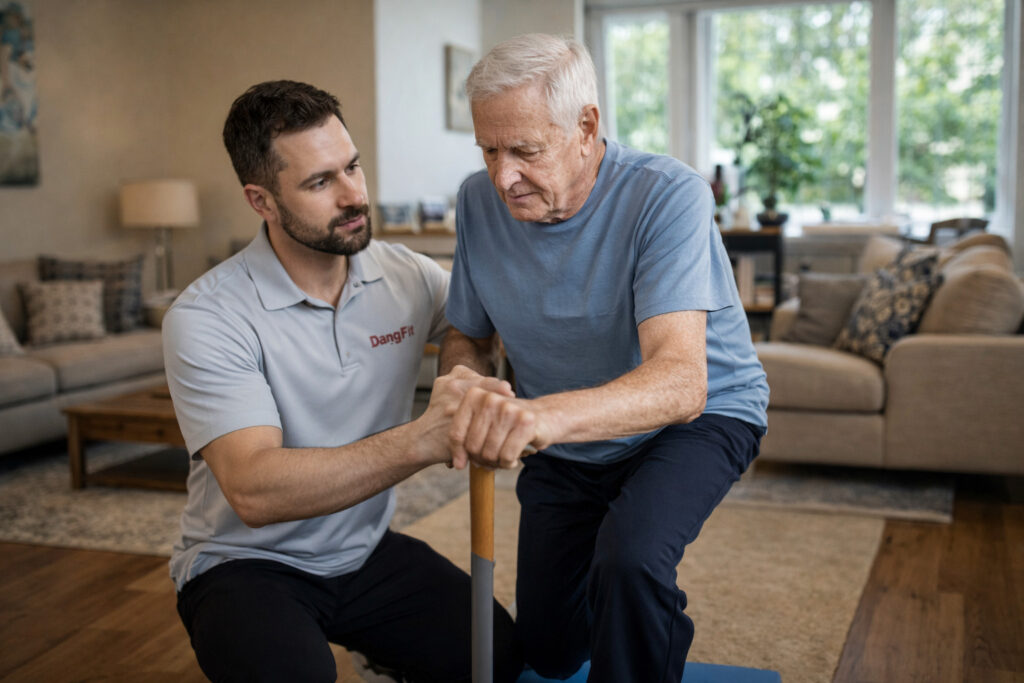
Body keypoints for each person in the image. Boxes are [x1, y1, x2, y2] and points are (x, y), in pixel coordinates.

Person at [163, 80, 522, 683]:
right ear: (262, 201)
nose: (355, 195)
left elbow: (468, 321)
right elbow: (255, 491)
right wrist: (424, 438)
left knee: (500, 657)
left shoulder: (405, 274)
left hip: (363, 553)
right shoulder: (208, 317)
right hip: (244, 564)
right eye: (320, 182)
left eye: (352, 166)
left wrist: (460, 372)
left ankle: (379, 654)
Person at [439, 35, 769, 683]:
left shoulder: (666, 194)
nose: (503, 175)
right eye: (488, 149)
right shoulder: (478, 202)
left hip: (695, 418)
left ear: (586, 126)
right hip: (568, 437)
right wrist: (462, 387)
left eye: (525, 150)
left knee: (632, 558)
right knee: (554, 651)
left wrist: (537, 419)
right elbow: (468, 337)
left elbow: (680, 383)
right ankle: (625, 623)